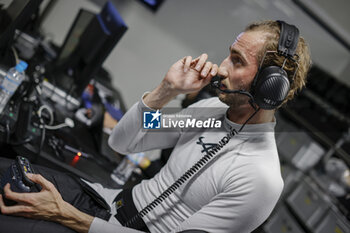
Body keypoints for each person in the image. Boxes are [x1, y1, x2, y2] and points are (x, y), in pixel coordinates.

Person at [0, 20, 311, 233]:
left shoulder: (260, 178)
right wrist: (167, 90)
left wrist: (66, 215)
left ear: (270, 87)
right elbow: (123, 142)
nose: (220, 67)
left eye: (237, 61)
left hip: (95, 224)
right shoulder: (212, 110)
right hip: (103, 202)